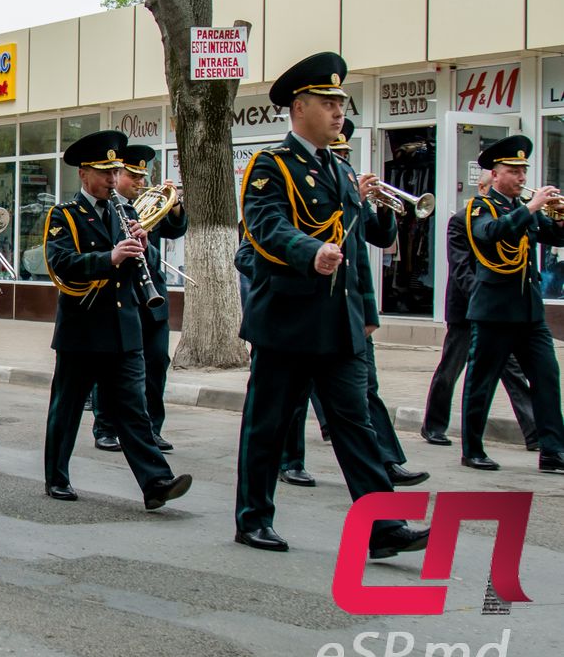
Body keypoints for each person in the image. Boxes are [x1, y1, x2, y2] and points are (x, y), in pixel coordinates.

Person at [235, 52, 429, 557]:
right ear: (299, 108)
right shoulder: (270, 166)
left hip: (338, 324)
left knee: (355, 425)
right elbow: (266, 226)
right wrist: (310, 252)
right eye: (328, 102)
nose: (339, 111)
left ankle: (383, 528)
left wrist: (367, 310)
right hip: (287, 320)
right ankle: (253, 518)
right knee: (268, 424)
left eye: (341, 103)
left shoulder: (339, 171)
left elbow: (363, 242)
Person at [41, 129, 192, 509]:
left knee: (133, 410)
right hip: (83, 328)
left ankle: (156, 482)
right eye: (104, 172)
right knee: (68, 408)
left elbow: (145, 265)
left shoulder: (126, 211)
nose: (112, 180)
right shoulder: (66, 215)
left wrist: (141, 248)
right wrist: (109, 258)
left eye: (114, 172)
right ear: (84, 174)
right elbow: (60, 265)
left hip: (125, 328)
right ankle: (56, 476)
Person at [458, 135, 564, 474]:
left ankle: (552, 450)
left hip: (529, 312)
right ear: (496, 173)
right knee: (481, 381)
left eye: (523, 171)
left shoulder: (523, 210)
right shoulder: (480, 207)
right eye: (514, 170)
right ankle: (472, 448)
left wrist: (559, 217)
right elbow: (491, 235)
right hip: (494, 312)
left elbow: (555, 237)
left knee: (547, 376)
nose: (521, 177)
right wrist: (532, 208)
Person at [420, 174, 537, 449]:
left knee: (513, 372)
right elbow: (461, 267)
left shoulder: (502, 221)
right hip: (467, 309)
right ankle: (434, 426)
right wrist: (482, 300)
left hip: (496, 313)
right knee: (451, 368)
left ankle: (535, 433)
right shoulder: (461, 220)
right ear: (482, 189)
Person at [91, 144, 185, 452]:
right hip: (119, 295)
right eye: (132, 175)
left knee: (157, 361)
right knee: (111, 364)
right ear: (116, 175)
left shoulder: (145, 205)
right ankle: (105, 426)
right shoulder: (105, 209)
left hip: (151, 293)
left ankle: (151, 429)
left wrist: (174, 207)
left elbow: (175, 230)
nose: (139, 182)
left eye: (142, 176)